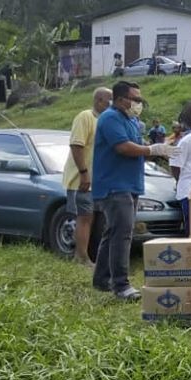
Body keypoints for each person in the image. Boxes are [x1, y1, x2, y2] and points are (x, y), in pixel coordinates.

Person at [92, 81, 178, 301]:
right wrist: (151, 148)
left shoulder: (130, 120)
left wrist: (161, 147)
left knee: (112, 231)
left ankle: (102, 279)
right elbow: (123, 147)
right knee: (123, 233)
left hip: (129, 183)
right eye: (135, 98)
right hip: (114, 185)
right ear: (121, 99)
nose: (138, 103)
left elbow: (139, 149)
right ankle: (121, 285)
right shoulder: (110, 118)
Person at [63, 87, 112, 267]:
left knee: (95, 220)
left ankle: (89, 255)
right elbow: (77, 146)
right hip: (82, 180)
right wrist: (84, 173)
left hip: (100, 181)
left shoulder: (106, 121)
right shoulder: (86, 117)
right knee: (85, 217)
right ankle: (81, 257)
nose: (111, 104)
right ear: (99, 101)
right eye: (109, 100)